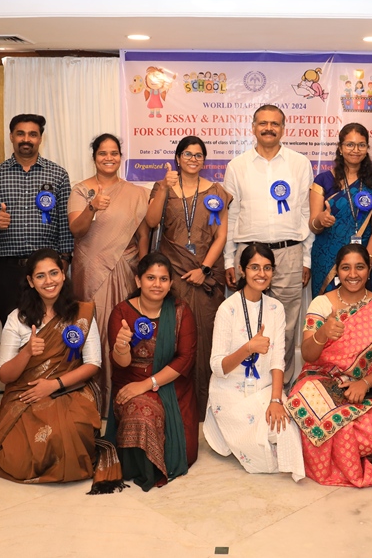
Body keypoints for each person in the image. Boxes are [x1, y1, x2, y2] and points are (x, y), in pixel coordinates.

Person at [286, 244, 372, 487]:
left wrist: (364, 383)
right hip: (323, 377)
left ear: (369, 270)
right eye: (346, 268)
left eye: (359, 267)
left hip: (369, 383)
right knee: (304, 403)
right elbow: (309, 355)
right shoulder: (322, 304)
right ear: (337, 271)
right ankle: (340, 457)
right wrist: (322, 333)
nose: (353, 274)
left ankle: (326, 450)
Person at [0, 249, 102, 484]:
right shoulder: (17, 318)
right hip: (25, 393)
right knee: (18, 460)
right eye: (40, 276)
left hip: (68, 389)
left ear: (63, 274)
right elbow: (4, 375)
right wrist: (27, 352)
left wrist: (54, 385)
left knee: (68, 429)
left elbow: (93, 363)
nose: (49, 281)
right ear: (30, 281)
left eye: (54, 273)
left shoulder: (82, 312)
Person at [223, 104, 314, 382]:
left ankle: (281, 386)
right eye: (263, 123)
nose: (269, 128)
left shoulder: (300, 163)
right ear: (253, 128)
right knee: (246, 322)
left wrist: (306, 259)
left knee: (286, 325)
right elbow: (231, 216)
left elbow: (306, 212)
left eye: (275, 124)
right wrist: (228, 260)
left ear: (283, 129)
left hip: (289, 252)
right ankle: (249, 384)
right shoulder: (237, 166)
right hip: (249, 253)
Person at [204, 244, 305, 481]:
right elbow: (217, 367)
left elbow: (278, 360)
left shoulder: (275, 308)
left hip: (264, 390)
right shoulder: (227, 309)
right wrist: (248, 348)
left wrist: (276, 400)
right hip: (230, 392)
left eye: (267, 268)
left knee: (286, 430)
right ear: (242, 270)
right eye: (255, 267)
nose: (262, 274)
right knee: (263, 458)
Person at [146, 136, 232, 412]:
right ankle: (171, 404)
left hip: (205, 277)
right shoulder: (164, 187)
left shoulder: (216, 192)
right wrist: (163, 188)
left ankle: (206, 405)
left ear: (204, 160)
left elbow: (221, 236)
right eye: (187, 154)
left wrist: (204, 269)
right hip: (172, 277)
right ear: (178, 158)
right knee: (173, 337)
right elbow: (151, 221)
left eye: (198, 155)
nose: (193, 159)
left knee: (206, 337)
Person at [68, 134, 149, 413]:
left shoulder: (136, 193)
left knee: (123, 330)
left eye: (114, 153)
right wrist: (92, 207)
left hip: (126, 269)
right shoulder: (82, 190)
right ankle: (93, 400)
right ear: (94, 157)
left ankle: (123, 397)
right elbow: (76, 230)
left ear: (120, 157)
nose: (109, 158)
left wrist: (142, 269)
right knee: (93, 330)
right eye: (103, 153)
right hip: (90, 271)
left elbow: (143, 235)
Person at [105, 253, 199, 491]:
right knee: (141, 413)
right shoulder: (121, 312)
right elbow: (121, 364)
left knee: (185, 450)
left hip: (170, 385)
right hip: (130, 381)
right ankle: (139, 468)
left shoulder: (180, 311)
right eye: (150, 278)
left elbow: (185, 359)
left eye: (163, 279)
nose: (157, 284)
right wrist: (121, 347)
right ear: (138, 281)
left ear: (171, 283)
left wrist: (147, 384)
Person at [0, 114, 73, 324]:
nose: (26, 139)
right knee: (13, 327)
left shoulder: (58, 175)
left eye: (32, 134)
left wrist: (63, 262)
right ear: (11, 136)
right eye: (20, 133)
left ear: (40, 138)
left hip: (47, 270)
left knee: (50, 326)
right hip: (10, 270)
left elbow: (65, 224)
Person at [309, 123, 372, 298]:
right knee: (329, 308)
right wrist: (321, 220)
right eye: (350, 145)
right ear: (340, 148)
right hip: (328, 261)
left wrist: (366, 264)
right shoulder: (323, 180)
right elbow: (313, 226)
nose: (356, 150)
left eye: (361, 145)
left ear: (367, 148)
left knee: (364, 311)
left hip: (367, 256)